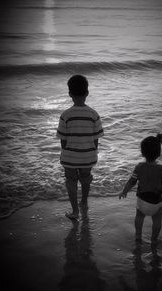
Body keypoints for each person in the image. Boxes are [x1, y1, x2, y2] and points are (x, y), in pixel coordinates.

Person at [57, 75, 104, 219]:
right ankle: (84, 201)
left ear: (70, 94)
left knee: (71, 181)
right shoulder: (93, 114)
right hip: (87, 156)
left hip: (70, 156)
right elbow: (96, 139)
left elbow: (63, 141)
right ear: (87, 93)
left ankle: (75, 211)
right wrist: (92, 152)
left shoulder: (65, 115)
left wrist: (68, 151)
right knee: (85, 178)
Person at [119, 134, 162, 246]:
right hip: (156, 203)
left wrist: (124, 191)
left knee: (139, 217)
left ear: (142, 153)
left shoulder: (139, 167)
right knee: (157, 220)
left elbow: (132, 181)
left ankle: (138, 236)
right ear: (159, 153)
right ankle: (154, 239)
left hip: (142, 202)